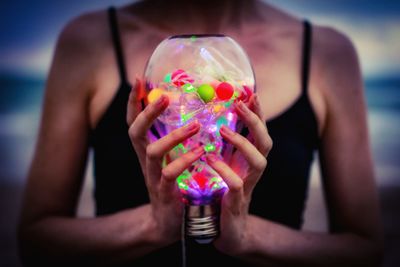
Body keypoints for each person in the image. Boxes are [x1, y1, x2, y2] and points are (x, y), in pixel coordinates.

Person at [17, 0, 384, 266]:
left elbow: (364, 249)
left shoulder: (327, 53)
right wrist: (152, 225)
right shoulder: (89, 41)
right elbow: (37, 243)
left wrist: (248, 237)